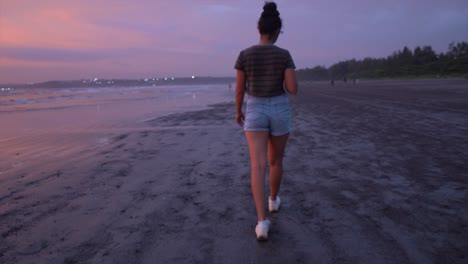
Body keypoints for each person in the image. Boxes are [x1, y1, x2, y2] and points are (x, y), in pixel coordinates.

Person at [234, 1, 298, 241]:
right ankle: (273, 200)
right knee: (276, 160)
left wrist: (238, 111)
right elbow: (292, 89)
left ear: (259, 29)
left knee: (257, 166)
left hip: (255, 108)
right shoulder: (284, 55)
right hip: (279, 107)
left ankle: (262, 223)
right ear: (277, 31)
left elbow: (240, 89)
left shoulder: (245, 54)